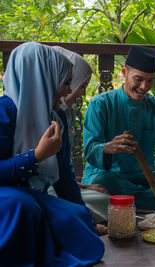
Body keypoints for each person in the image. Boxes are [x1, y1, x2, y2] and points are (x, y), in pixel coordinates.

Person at [0, 42, 104, 266]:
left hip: (32, 196)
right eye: (65, 82)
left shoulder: (55, 119)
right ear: (41, 79)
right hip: (9, 197)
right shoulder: (4, 112)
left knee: (76, 217)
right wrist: (35, 157)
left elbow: (65, 176)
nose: (69, 90)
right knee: (21, 205)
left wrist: (83, 214)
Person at [82, 45, 155, 210]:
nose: (144, 86)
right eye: (138, 79)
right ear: (124, 72)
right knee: (104, 182)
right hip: (109, 175)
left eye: (150, 80)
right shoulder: (100, 104)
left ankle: (132, 201)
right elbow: (90, 149)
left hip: (144, 176)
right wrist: (108, 148)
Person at [50, 46, 110, 229]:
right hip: (47, 188)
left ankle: (75, 214)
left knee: (104, 198)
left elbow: (62, 168)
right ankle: (78, 218)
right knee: (54, 199)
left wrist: (83, 187)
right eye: (81, 85)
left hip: (63, 184)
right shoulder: (38, 111)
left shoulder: (63, 113)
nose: (82, 93)